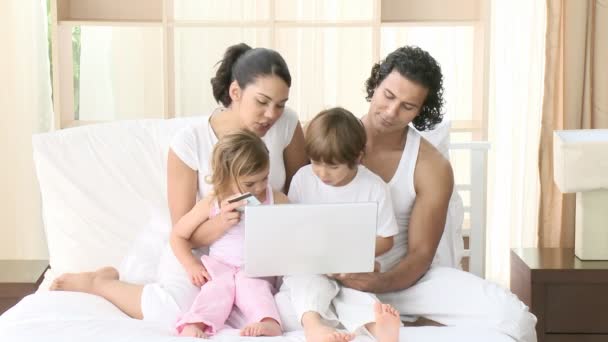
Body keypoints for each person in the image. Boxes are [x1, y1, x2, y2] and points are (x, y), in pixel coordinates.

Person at [277, 46, 537, 342]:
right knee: (299, 298)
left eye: (407, 106)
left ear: (421, 110)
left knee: (514, 318)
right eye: (388, 96)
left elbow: (420, 255)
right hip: (330, 277)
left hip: (404, 281)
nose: (391, 112)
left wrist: (376, 281)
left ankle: (378, 319)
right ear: (376, 85)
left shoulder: (431, 166)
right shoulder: (328, 139)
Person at [49, 43, 308, 332]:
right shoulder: (191, 141)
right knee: (174, 312)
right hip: (201, 246)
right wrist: (223, 223)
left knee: (296, 306)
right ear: (236, 92)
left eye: (280, 104)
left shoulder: (287, 124)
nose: (272, 114)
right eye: (262, 101)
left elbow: (300, 194)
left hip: (260, 250)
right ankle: (100, 282)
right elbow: (186, 232)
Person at [281, 107, 402, 342]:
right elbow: (292, 229)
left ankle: (379, 328)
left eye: (333, 166)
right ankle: (314, 327)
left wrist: (352, 256)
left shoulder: (374, 187)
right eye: (316, 162)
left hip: (353, 267)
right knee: (307, 284)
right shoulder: (303, 179)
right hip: (311, 264)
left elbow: (387, 239)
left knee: (356, 295)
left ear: (357, 157)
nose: (322, 173)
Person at [172, 130, 288, 338]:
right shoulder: (212, 202)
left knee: (254, 288)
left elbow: (294, 230)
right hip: (221, 267)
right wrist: (191, 265)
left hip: (255, 268)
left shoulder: (275, 198)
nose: (260, 187)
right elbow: (178, 235)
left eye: (265, 178)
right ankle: (197, 323)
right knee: (214, 291)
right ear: (225, 177)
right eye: (250, 184)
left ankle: (269, 322)